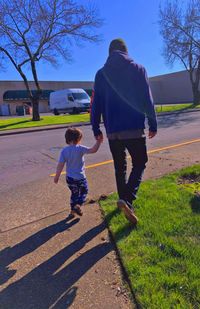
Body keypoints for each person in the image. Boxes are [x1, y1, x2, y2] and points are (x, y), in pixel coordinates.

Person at [91, 38, 157, 225]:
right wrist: (153, 123)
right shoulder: (139, 69)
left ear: (110, 52)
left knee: (120, 168)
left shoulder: (101, 74)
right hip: (134, 128)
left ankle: (125, 202)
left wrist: (95, 127)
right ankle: (127, 200)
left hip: (113, 132)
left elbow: (96, 104)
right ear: (125, 51)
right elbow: (147, 99)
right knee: (140, 162)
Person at [54, 127, 103, 218]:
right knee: (84, 191)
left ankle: (72, 211)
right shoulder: (80, 148)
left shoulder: (64, 151)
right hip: (80, 178)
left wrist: (57, 176)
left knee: (74, 194)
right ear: (78, 139)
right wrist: (98, 142)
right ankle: (78, 205)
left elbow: (60, 165)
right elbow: (93, 150)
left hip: (70, 178)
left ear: (67, 139)